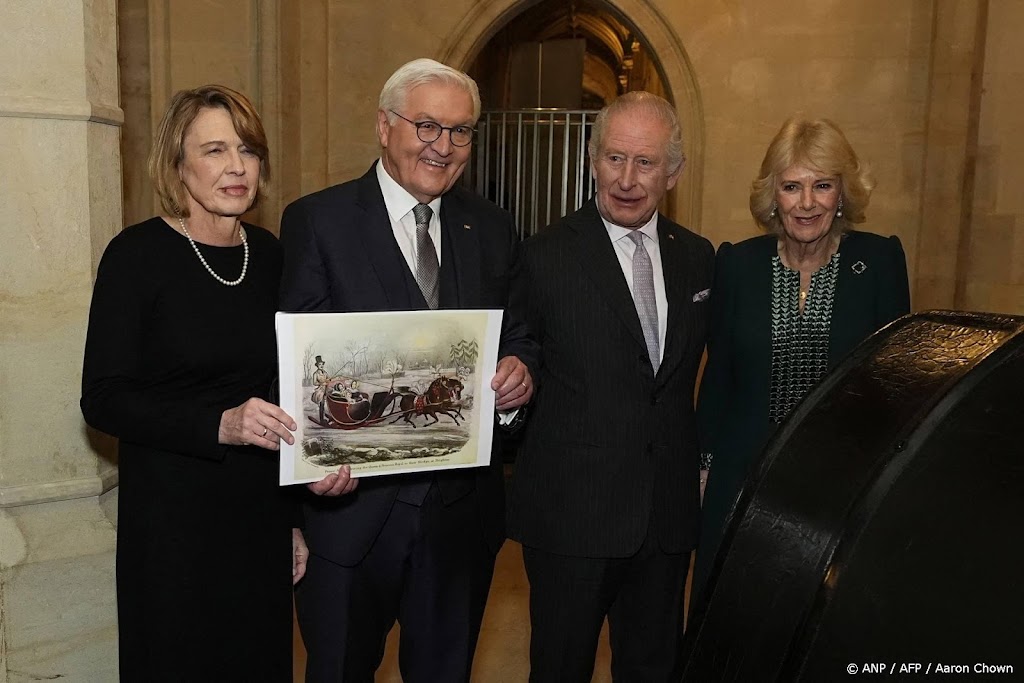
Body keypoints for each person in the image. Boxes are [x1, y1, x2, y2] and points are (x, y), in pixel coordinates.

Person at [278, 58, 539, 682]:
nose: (442, 146)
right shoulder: (318, 221)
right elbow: (293, 364)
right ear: (383, 126)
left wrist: (519, 375)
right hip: (349, 516)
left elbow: (520, 333)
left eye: (460, 131)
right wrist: (307, 469)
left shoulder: (492, 227)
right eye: (426, 125)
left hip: (460, 518)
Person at [80, 85, 306, 680]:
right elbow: (103, 398)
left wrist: (293, 521)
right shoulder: (136, 256)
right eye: (214, 150)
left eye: (248, 150)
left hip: (258, 516)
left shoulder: (271, 255)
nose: (237, 166)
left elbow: (285, 391)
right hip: (172, 523)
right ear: (176, 164)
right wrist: (219, 424)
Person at [507, 91, 715, 682]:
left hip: (666, 516)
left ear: (673, 172)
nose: (627, 179)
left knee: (654, 668)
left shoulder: (697, 258)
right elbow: (517, 362)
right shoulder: (542, 256)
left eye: (645, 162)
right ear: (592, 160)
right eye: (615, 158)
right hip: (572, 517)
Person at [691, 116, 911, 606]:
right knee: (732, 614)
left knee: (815, 617)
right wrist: (704, 469)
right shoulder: (737, 264)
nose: (807, 202)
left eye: (822, 185)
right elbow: (719, 376)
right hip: (740, 480)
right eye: (792, 186)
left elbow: (894, 387)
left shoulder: (880, 262)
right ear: (773, 196)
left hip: (840, 483)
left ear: (842, 194)